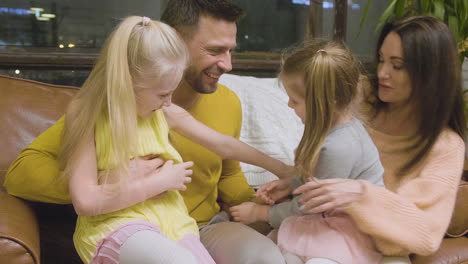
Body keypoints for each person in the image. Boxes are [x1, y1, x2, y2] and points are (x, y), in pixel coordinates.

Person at [5, 1, 287, 263]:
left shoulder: (201, 106)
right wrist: (114, 179)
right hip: (126, 224)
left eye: (230, 50)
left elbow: (227, 158)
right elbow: (34, 178)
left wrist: (278, 186)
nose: (227, 64)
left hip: (188, 225)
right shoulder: (94, 111)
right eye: (214, 51)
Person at [275, 15, 465, 264]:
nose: (382, 73)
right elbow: (320, 165)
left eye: (397, 65)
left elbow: (425, 235)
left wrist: (361, 195)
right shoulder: (360, 96)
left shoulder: (446, 146)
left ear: (430, 74)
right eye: (381, 60)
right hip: (319, 229)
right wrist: (291, 183)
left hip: (382, 251)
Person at [230, 40, 384, 264]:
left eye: (295, 100)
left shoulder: (339, 147)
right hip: (328, 219)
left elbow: (308, 206)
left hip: (350, 231)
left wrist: (257, 213)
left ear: (323, 102)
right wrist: (291, 184)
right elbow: (317, 179)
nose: (290, 107)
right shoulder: (337, 131)